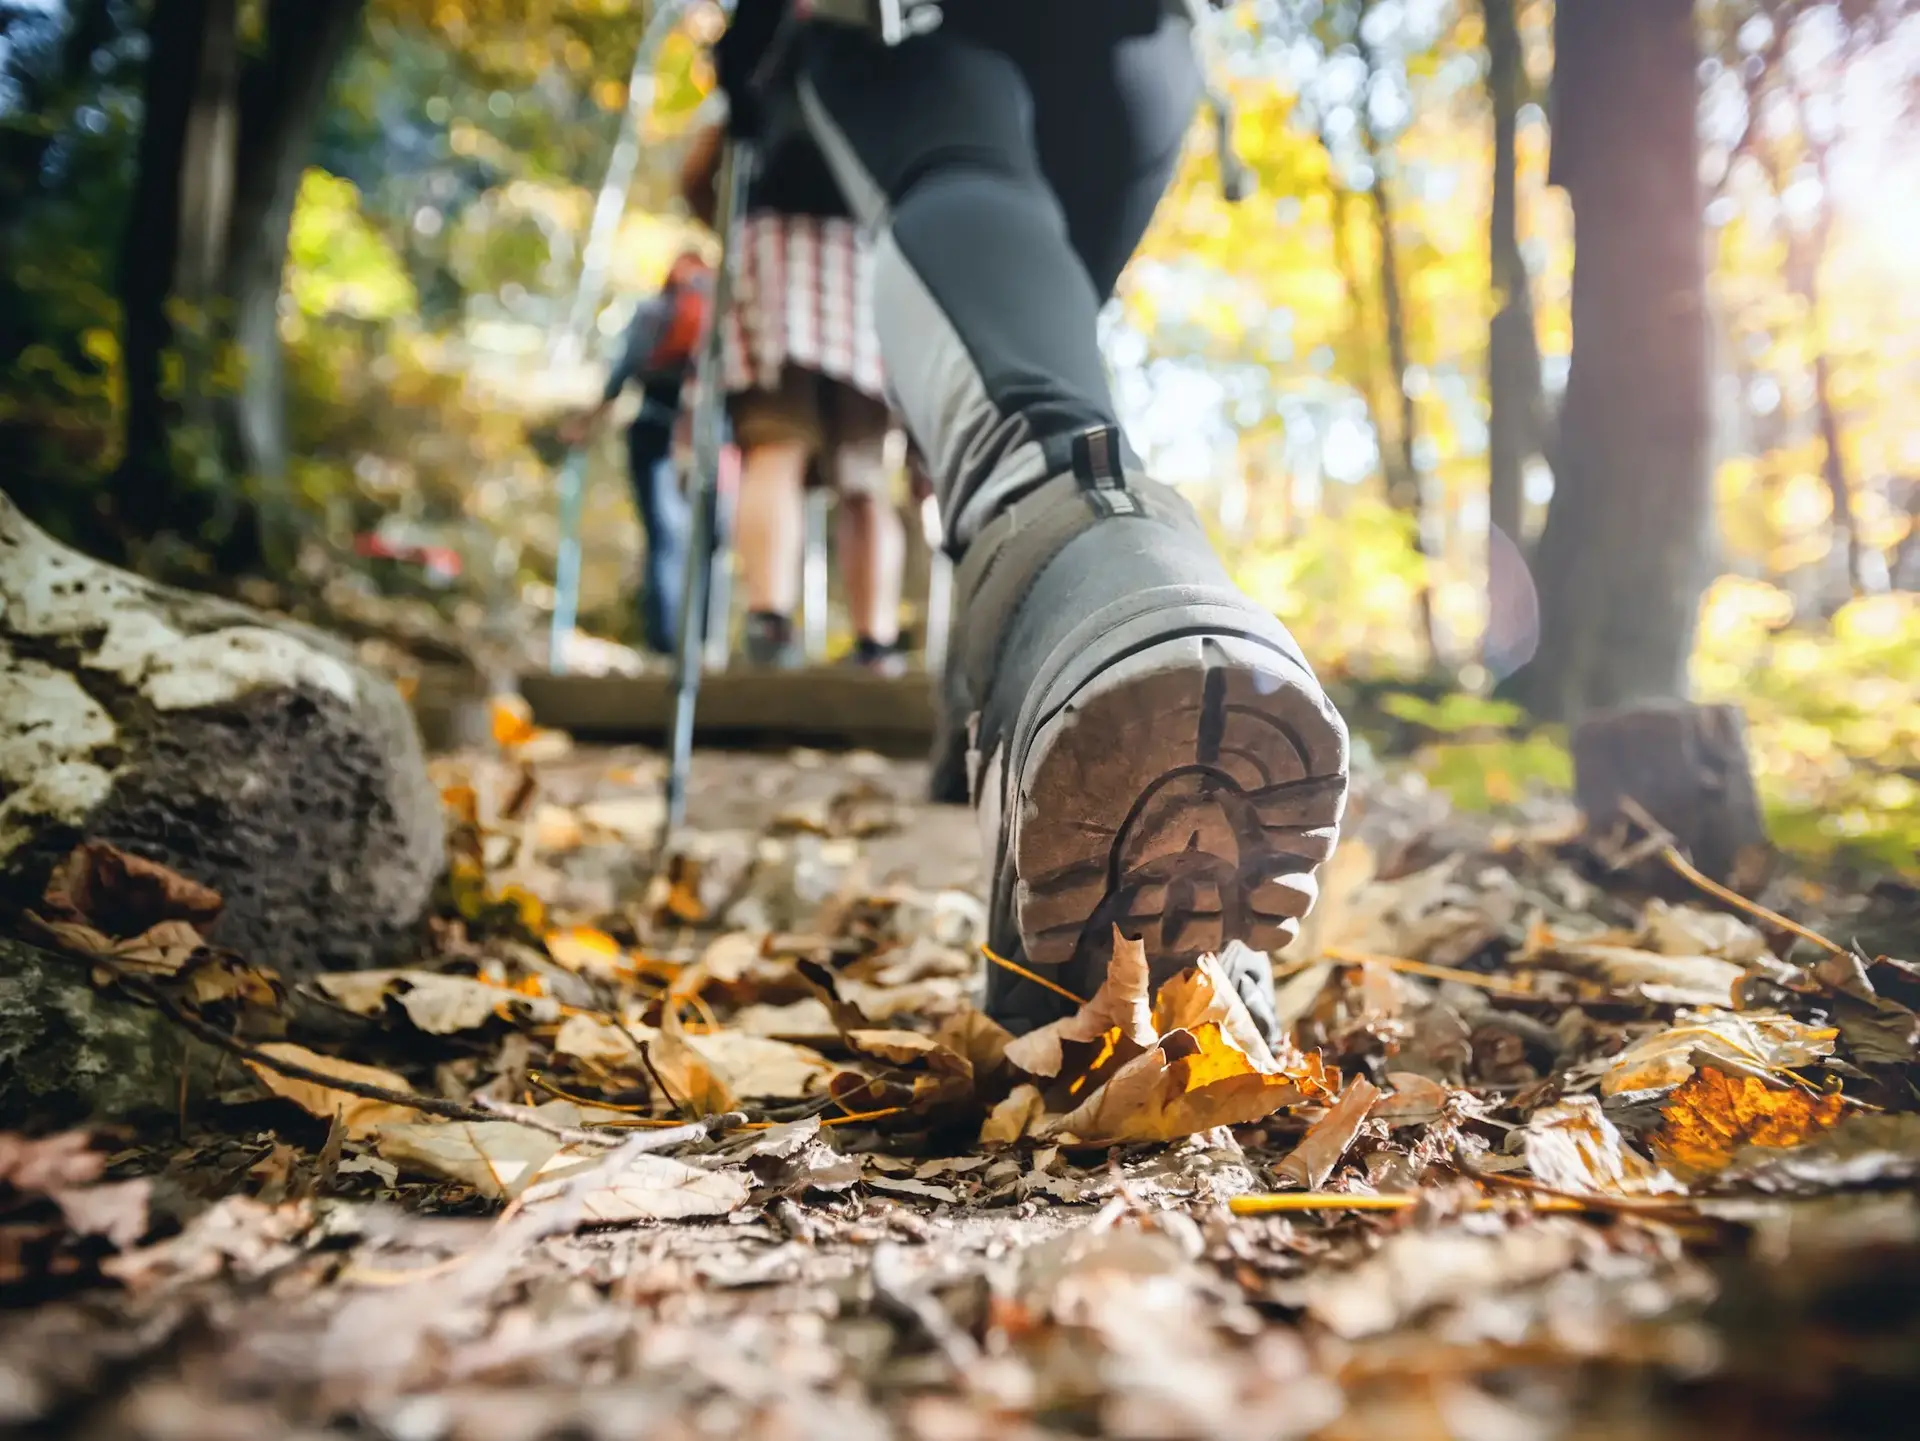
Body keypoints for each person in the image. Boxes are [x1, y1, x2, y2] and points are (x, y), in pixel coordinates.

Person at [710, 0, 1351, 1041]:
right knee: (1024, 329)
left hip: (908, 35)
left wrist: (744, 68)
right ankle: (1013, 665)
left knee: (971, 215)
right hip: (1140, 54)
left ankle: (1076, 569)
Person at [679, 86, 907, 673]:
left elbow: (699, 168)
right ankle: (874, 643)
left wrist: (731, 223)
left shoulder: (769, 55)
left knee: (775, 447)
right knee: (864, 475)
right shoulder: (886, 62)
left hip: (772, 253)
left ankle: (768, 622)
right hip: (868, 266)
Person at [561, 251, 712, 656]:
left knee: (664, 538)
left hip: (653, 427)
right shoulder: (722, 312)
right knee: (705, 541)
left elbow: (623, 371)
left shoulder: (652, 311)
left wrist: (585, 424)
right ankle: (702, 642)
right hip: (708, 437)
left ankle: (665, 645)